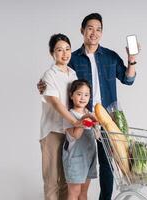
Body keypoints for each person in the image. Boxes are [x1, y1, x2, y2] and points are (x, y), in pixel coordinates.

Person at [38, 13, 138, 200]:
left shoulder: (110, 56)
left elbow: (128, 79)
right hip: (82, 119)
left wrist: (131, 58)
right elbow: (60, 78)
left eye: (98, 29)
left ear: (102, 32)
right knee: (79, 165)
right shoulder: (73, 58)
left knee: (107, 165)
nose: (94, 32)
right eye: (90, 28)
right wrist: (42, 85)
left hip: (107, 119)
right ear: (82, 30)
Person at [40, 33, 95, 200]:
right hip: (54, 131)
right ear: (52, 53)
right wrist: (76, 122)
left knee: (66, 179)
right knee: (52, 179)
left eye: (67, 49)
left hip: (70, 132)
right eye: (59, 50)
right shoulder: (49, 75)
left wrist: (85, 119)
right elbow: (56, 103)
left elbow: (78, 99)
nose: (64, 53)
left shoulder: (72, 73)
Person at [62, 79, 98, 200]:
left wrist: (97, 124)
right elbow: (75, 135)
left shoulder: (90, 113)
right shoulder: (69, 115)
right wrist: (84, 119)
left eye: (86, 95)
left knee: (83, 192)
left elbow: (97, 136)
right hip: (75, 160)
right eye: (79, 94)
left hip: (88, 158)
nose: (83, 98)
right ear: (71, 95)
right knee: (74, 193)